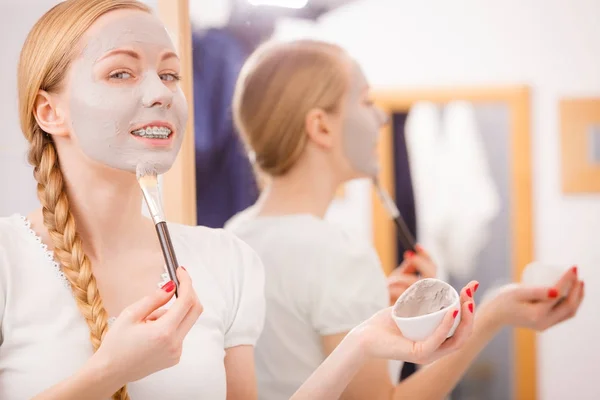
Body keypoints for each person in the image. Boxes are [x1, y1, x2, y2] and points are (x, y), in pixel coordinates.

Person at [0, 2, 476, 399]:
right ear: (49, 111)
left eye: (170, 74)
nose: (160, 93)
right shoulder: (7, 260)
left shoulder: (227, 261)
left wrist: (361, 342)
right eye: (121, 73)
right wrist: (108, 373)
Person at [225, 39, 585, 400]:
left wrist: (370, 304)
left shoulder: (232, 236)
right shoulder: (342, 254)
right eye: (366, 102)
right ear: (320, 127)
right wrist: (491, 316)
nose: (382, 118)